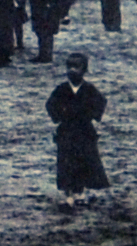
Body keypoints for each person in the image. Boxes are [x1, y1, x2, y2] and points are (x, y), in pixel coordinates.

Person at [47, 53, 109, 202]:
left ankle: (81, 191)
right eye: (69, 67)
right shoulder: (61, 89)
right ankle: (68, 192)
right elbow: (51, 105)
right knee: (66, 162)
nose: (73, 71)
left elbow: (100, 103)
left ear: (84, 70)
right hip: (66, 131)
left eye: (77, 67)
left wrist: (91, 115)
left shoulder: (89, 89)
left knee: (85, 160)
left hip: (84, 131)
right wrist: (58, 116)